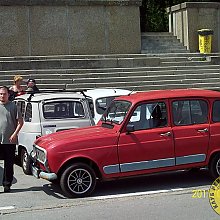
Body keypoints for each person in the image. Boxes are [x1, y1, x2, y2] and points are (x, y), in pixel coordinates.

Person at [0, 86, 23, 192]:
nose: (2, 96)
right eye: (0, 94)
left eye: (4, 94)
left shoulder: (13, 106)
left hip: (10, 140)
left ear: (8, 94)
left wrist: (15, 134)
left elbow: (20, 122)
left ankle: (7, 184)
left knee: (9, 163)